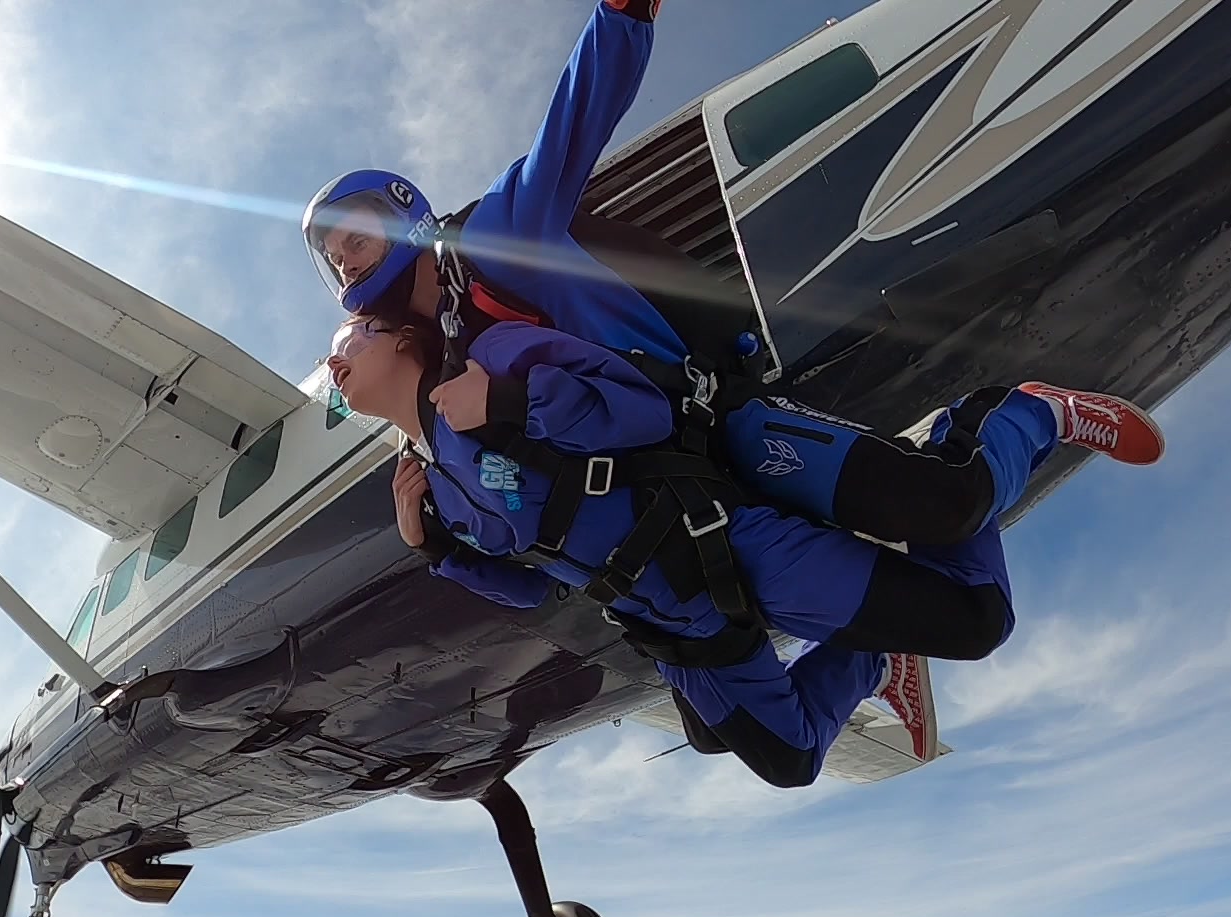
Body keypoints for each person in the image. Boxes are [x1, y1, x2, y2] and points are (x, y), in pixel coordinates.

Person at [301, 0, 1167, 548]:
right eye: (331, 252)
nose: (344, 254)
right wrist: (428, 540)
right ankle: (878, 650)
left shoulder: (492, 238)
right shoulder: (422, 359)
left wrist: (623, 12)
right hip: (656, 478)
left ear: (407, 211)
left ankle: (1032, 412)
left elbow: (572, 120)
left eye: (356, 231)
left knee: (942, 509)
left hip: (705, 409)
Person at [322, 307, 1167, 787]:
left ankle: (1015, 414)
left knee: (980, 620)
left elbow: (640, 415)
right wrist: (435, 549)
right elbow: (536, 590)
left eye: (351, 335)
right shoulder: (428, 487)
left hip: (724, 544)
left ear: (405, 340)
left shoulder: (490, 359)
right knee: (790, 758)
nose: (335, 358)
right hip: (673, 621)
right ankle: (875, 663)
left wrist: (508, 404)